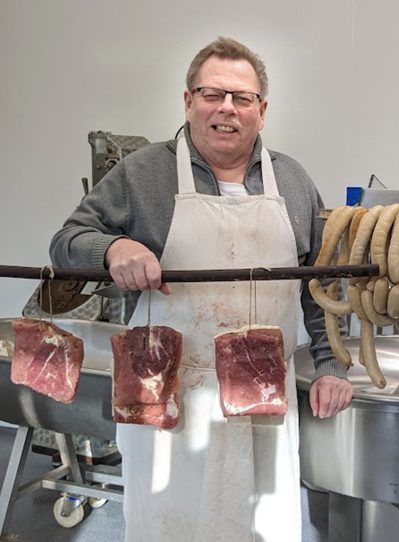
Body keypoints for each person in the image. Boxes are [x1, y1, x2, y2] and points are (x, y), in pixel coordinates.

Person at [50, 37, 352, 541]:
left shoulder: (293, 182)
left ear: (262, 109)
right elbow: (66, 242)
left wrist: (332, 366)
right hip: (168, 398)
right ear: (188, 101)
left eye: (242, 97)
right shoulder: (144, 173)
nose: (227, 109)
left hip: (262, 398)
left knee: (260, 524)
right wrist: (113, 249)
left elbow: (320, 286)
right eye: (212, 94)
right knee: (170, 527)